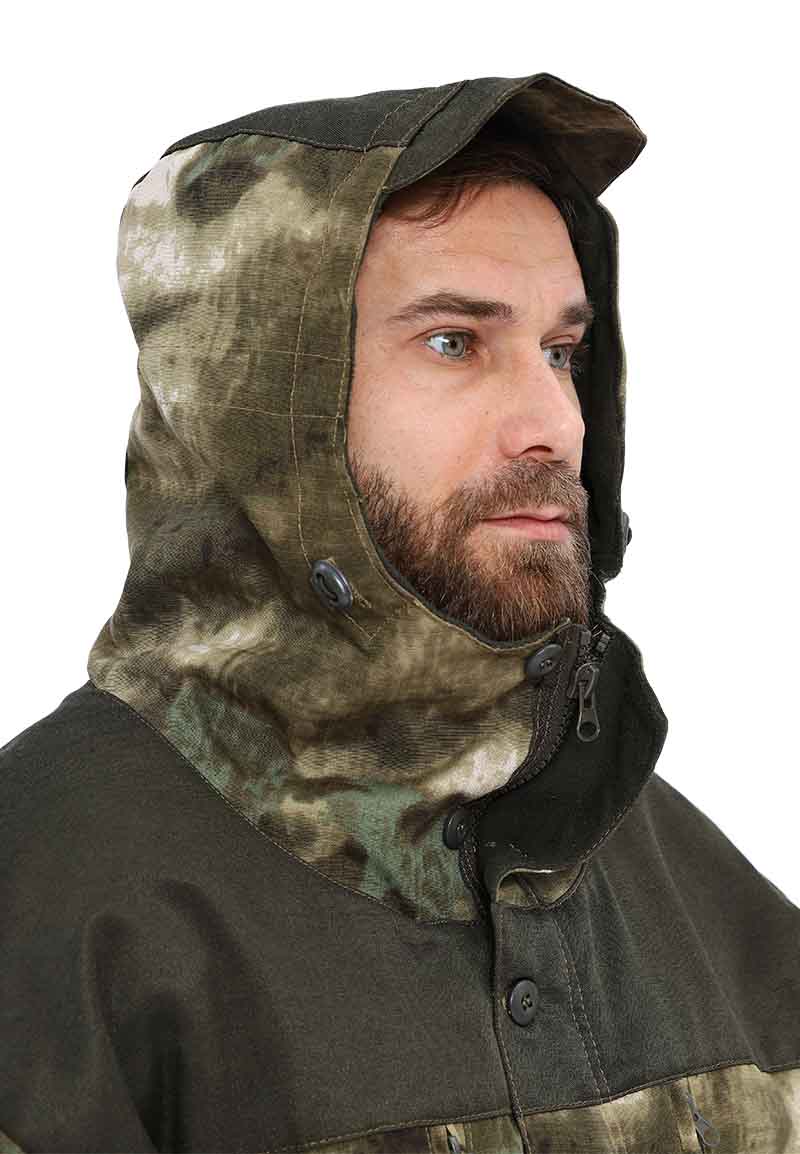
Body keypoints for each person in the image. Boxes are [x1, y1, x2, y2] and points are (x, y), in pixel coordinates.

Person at [1, 69, 797, 1154]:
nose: (555, 423)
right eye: (454, 341)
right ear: (257, 403)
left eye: (562, 353)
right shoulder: (50, 899)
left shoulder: (706, 900)